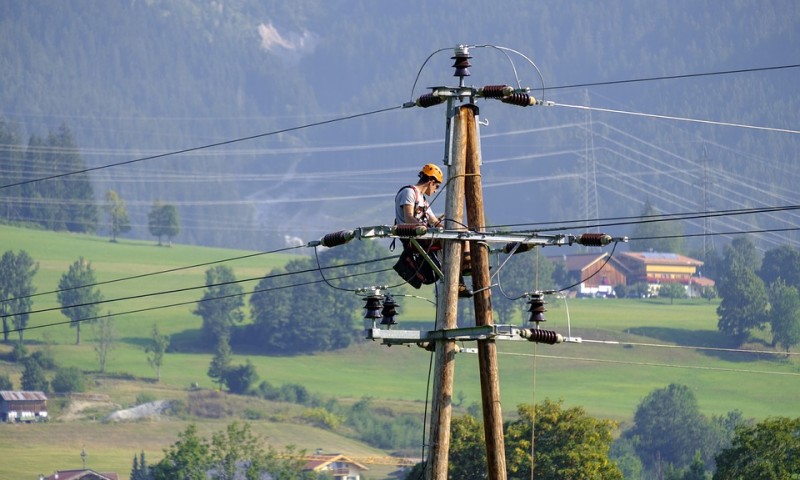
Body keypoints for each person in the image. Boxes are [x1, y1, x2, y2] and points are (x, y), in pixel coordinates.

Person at [393, 163, 473, 297]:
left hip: (424, 236)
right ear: (431, 182)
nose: (435, 190)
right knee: (448, 241)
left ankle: (466, 264)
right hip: (413, 237)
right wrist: (423, 228)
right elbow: (408, 218)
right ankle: (458, 279)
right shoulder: (409, 192)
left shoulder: (423, 201)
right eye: (436, 186)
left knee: (460, 234)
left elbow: (434, 221)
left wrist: (455, 229)